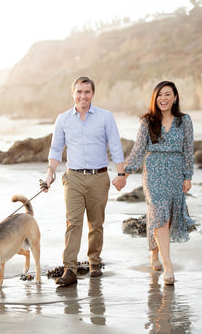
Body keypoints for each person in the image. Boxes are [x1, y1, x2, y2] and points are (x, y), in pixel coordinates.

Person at [44, 76, 126, 286]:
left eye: (87, 92)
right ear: (73, 94)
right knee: (73, 223)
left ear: (92, 94)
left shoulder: (105, 117)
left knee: (96, 224)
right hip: (73, 178)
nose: (83, 96)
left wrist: (121, 174)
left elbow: (115, 146)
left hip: (99, 177)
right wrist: (50, 173)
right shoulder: (62, 119)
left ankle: (94, 262)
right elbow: (56, 149)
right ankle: (69, 269)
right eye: (79, 92)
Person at [112, 81, 195, 285]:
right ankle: (168, 265)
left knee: (164, 216)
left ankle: (154, 254)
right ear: (155, 99)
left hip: (175, 173)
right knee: (160, 215)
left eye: (167, 94)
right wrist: (124, 174)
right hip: (154, 172)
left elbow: (188, 150)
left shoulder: (184, 121)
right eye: (159, 95)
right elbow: (139, 150)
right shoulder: (147, 121)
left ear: (175, 97)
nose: (163, 99)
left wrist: (188, 176)